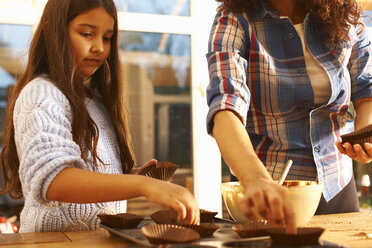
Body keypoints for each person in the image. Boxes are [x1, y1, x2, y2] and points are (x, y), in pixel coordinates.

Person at [0, 0, 199, 233]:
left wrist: (130, 178)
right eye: (86, 34)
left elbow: (90, 176)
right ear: (51, 32)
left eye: (107, 37)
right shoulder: (42, 93)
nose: (99, 47)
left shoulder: (96, 102)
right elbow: (54, 180)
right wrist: (142, 185)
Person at [206, 0, 372, 233]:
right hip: (268, 194)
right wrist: (255, 179)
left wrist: (364, 133)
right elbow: (225, 109)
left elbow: (366, 91)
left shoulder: (348, 17)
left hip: (337, 189)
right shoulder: (234, 19)